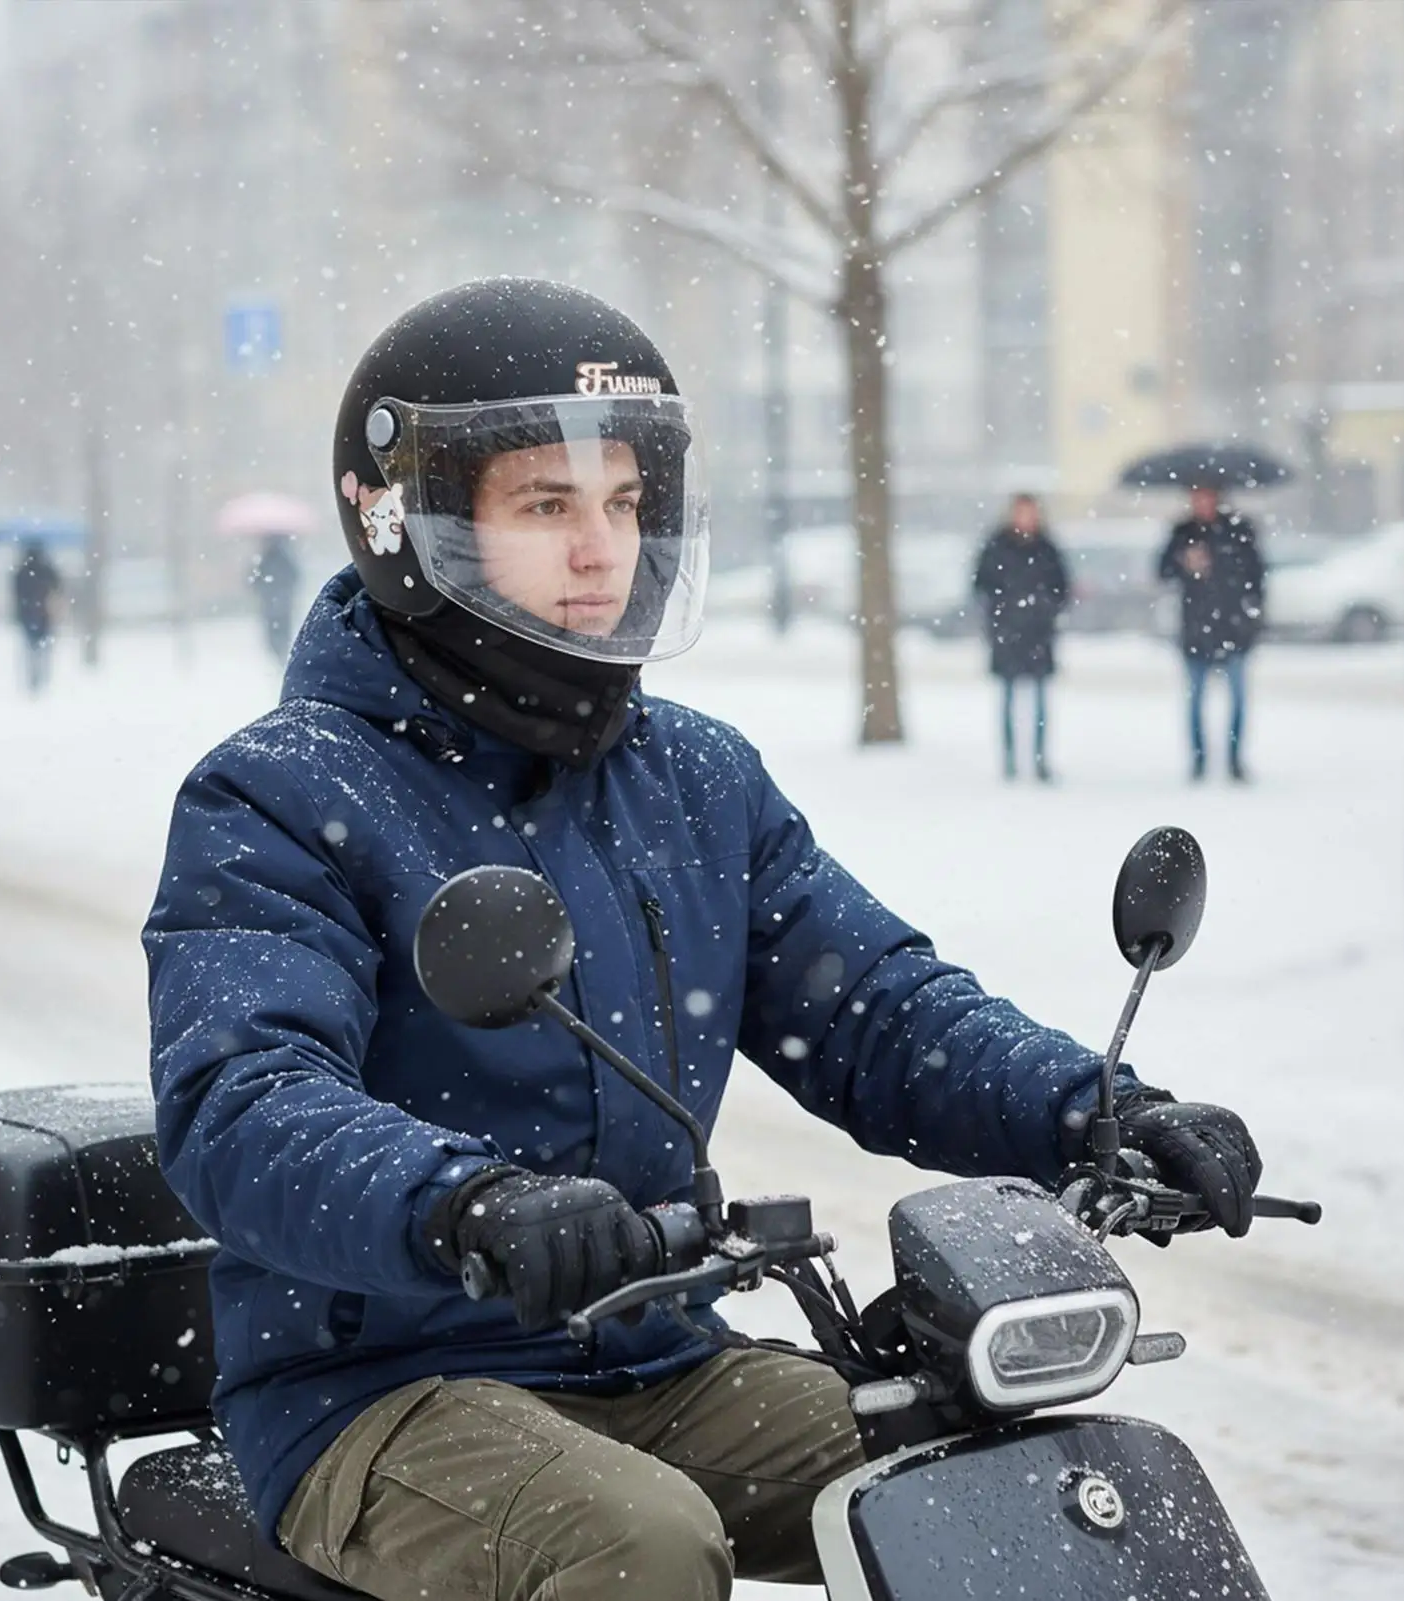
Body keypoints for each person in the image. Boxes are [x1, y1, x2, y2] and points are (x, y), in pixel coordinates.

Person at [144, 280, 1264, 1601]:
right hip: (378, 1388)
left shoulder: (691, 777)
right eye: (545, 506)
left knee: (1008, 1485)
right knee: (638, 1544)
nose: (599, 549)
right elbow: (242, 1101)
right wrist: (467, 1203)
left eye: (623, 503)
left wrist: (1098, 1109)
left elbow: (879, 1011)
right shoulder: (283, 792)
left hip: (653, 1355)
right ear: (403, 522)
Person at [1157, 485, 1265, 781]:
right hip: (1196, 631)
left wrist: (1251, 618)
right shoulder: (1182, 533)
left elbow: (1256, 577)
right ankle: (1198, 760)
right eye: (1196, 497)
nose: (1202, 503)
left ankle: (1234, 760)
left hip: (1234, 628)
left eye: (1207, 497)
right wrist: (1184, 561)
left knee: (1238, 701)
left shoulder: (1239, 530)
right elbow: (1162, 571)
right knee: (1195, 702)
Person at [972, 493, 1069, 781]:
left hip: (1039, 634)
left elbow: (1061, 587)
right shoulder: (996, 547)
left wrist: (1044, 608)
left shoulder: (1047, 548)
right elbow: (981, 585)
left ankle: (1039, 759)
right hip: (1008, 634)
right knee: (1008, 700)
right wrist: (1002, 614)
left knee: (1039, 703)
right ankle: (1010, 760)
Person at [11, 539, 63, 695]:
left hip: (27, 616)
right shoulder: (48, 571)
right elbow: (58, 587)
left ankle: (32, 677)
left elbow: (16, 594)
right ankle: (41, 676)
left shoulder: (22, 572)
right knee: (43, 648)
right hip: (45, 615)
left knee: (30, 647)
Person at [247, 531, 301, 660]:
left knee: (273, 630)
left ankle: (277, 652)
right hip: (283, 602)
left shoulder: (264, 559)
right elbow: (295, 576)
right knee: (282, 628)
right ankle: (281, 653)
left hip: (270, 602)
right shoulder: (286, 558)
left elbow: (255, 580)